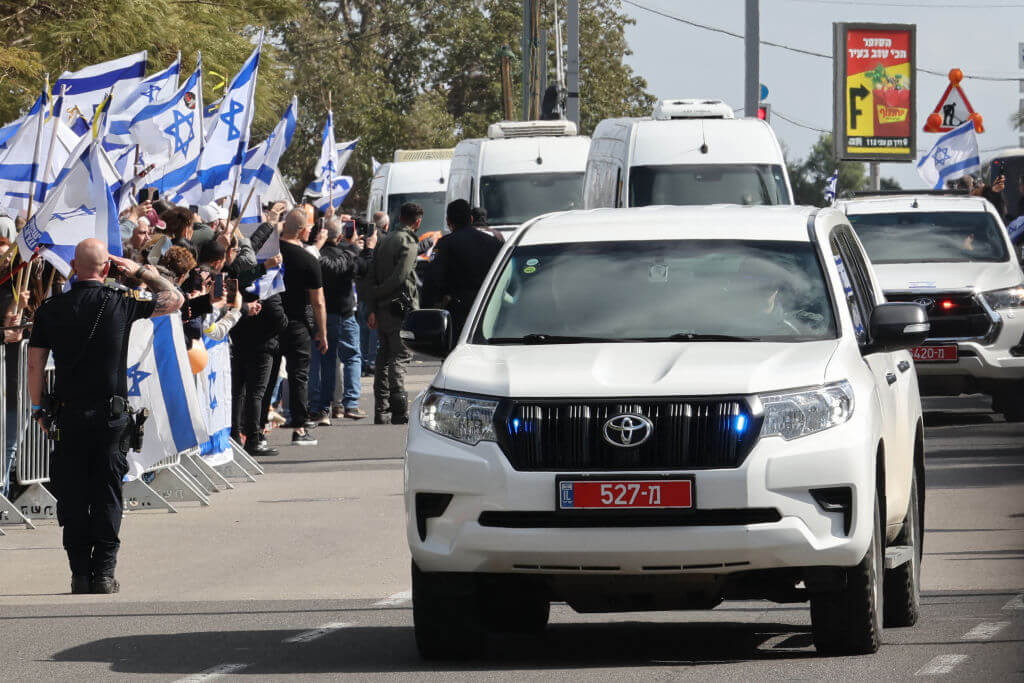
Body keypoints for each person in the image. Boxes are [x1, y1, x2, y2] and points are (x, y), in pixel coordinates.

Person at [27, 238, 183, 594]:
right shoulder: (121, 303)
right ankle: (104, 574)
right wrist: (142, 270)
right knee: (107, 493)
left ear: (72, 268)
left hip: (67, 415)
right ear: (108, 268)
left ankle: (80, 574)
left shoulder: (51, 309)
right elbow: (176, 299)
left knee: (74, 493)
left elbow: (35, 363)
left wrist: (38, 409)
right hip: (110, 417)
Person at [310, 217, 375, 424]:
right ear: (339, 236)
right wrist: (362, 249)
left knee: (327, 361)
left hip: (324, 315)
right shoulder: (345, 255)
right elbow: (364, 268)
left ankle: (322, 409)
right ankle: (350, 404)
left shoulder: (314, 253)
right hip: (343, 314)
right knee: (353, 357)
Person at [364, 202, 420, 424]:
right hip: (400, 306)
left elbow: (371, 275)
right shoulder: (407, 242)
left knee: (384, 357)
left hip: (383, 306)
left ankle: (382, 409)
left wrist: (373, 304)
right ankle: (398, 410)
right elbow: (401, 276)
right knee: (401, 355)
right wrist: (380, 294)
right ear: (417, 221)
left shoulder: (384, 241)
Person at [278, 208, 328, 445]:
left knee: (266, 376)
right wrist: (322, 332)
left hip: (269, 320)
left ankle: (253, 429)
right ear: (302, 230)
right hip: (297, 323)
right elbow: (318, 302)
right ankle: (299, 427)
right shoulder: (308, 260)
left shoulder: (270, 254)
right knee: (298, 375)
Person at [423, 199, 502, 339]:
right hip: (491, 310)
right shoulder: (494, 243)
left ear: (448, 221)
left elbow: (432, 280)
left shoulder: (445, 244)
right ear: (471, 219)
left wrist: (427, 311)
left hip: (458, 313)